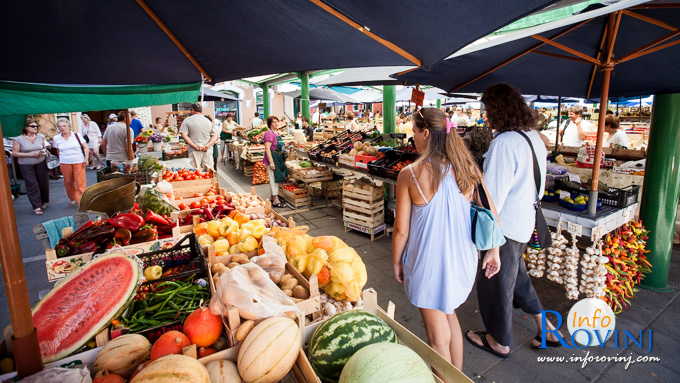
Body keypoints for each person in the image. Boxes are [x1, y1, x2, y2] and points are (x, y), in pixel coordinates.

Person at [392, 107, 501, 373]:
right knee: (450, 314)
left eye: (414, 132)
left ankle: (446, 379)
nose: (413, 138)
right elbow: (491, 212)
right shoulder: (467, 168)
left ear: (426, 133)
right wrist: (493, 251)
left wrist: (396, 261)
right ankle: (458, 377)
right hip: (461, 261)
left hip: (428, 264)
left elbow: (401, 230)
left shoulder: (410, 174)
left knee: (436, 338)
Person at [466, 83, 563, 358]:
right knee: (517, 279)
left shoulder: (504, 143)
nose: (486, 116)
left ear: (498, 110)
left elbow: (492, 197)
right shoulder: (533, 136)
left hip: (504, 228)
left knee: (494, 283)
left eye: (488, 110)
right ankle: (547, 328)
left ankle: (499, 341)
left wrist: (471, 189)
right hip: (524, 221)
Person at [12, 119, 50, 215]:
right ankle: (36, 206)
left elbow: (43, 147)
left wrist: (43, 152)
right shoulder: (18, 139)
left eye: (36, 126)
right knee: (32, 184)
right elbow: (15, 153)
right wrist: (31, 154)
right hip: (26, 164)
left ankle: (42, 201)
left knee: (43, 183)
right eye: (32, 126)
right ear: (26, 128)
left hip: (40, 162)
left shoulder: (40, 137)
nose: (35, 128)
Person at [52, 118, 89, 205]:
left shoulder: (76, 135)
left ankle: (82, 201)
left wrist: (86, 159)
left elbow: (85, 147)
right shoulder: (56, 138)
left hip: (78, 161)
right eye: (60, 126)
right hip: (65, 162)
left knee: (80, 182)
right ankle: (72, 197)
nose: (62, 128)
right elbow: (58, 150)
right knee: (68, 182)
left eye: (64, 126)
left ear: (69, 126)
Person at [179, 103, 219, 170]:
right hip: (207, 150)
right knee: (209, 171)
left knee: (195, 171)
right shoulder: (208, 121)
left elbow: (183, 135)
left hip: (194, 150)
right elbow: (214, 136)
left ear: (192, 110)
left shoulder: (187, 120)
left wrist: (194, 145)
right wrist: (207, 145)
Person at [263, 116, 288, 208]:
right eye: (274, 122)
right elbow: (267, 148)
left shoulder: (277, 133)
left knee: (276, 179)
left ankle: (272, 197)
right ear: (270, 124)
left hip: (278, 158)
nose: (276, 123)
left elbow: (278, 146)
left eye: (277, 122)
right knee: (274, 179)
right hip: (273, 158)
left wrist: (289, 144)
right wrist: (271, 162)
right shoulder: (269, 134)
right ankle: (276, 201)